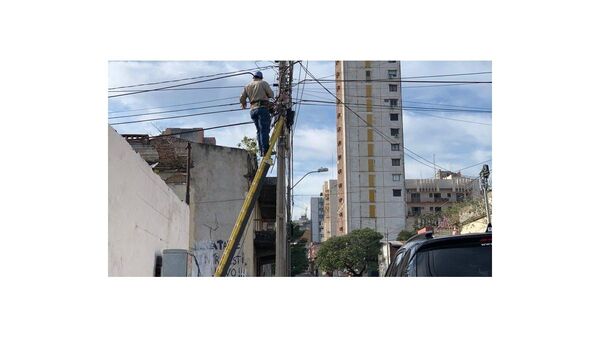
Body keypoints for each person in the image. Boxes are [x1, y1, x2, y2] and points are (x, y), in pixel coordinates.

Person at [240, 71, 274, 156]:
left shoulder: (247, 86)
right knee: (264, 130)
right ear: (261, 77)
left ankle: (261, 150)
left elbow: (241, 98)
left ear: (254, 77)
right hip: (262, 109)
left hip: (253, 110)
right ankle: (265, 150)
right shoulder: (263, 83)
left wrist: (244, 103)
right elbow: (271, 94)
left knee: (259, 131)